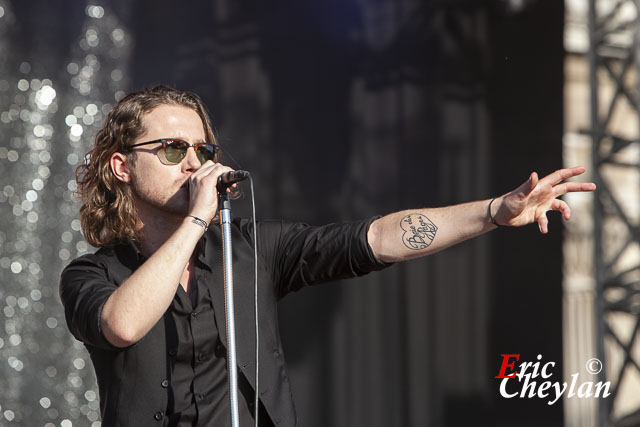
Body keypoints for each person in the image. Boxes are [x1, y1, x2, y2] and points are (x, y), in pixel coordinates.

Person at [59, 85, 596, 426]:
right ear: (121, 167)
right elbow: (123, 325)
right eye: (173, 150)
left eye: (203, 151)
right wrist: (199, 216)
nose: (193, 164)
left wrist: (494, 211)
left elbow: (375, 239)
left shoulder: (250, 250)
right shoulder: (91, 274)